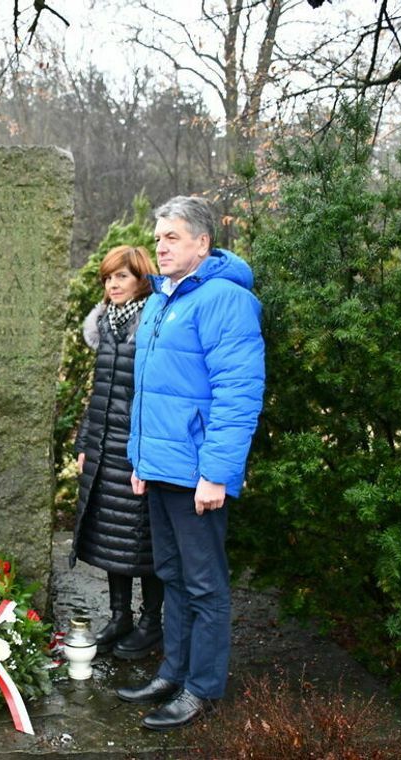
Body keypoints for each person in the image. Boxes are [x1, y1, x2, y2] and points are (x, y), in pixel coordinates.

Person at [117, 196, 265, 730]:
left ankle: (201, 688)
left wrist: (215, 474)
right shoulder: (161, 300)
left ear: (203, 243)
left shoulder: (225, 300)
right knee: (172, 575)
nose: (160, 246)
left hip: (199, 473)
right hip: (162, 468)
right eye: (158, 237)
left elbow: (238, 394)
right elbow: (152, 393)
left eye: (172, 237)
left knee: (205, 584)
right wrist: (142, 460)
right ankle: (172, 672)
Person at [71, 245, 165, 660]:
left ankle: (151, 622)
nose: (113, 284)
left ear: (141, 279)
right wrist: (85, 445)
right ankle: (119, 615)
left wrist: (144, 450)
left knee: (143, 540)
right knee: (112, 535)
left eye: (122, 277)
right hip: (105, 448)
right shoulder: (106, 325)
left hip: (138, 449)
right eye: (109, 277)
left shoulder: (152, 324)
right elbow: (100, 394)